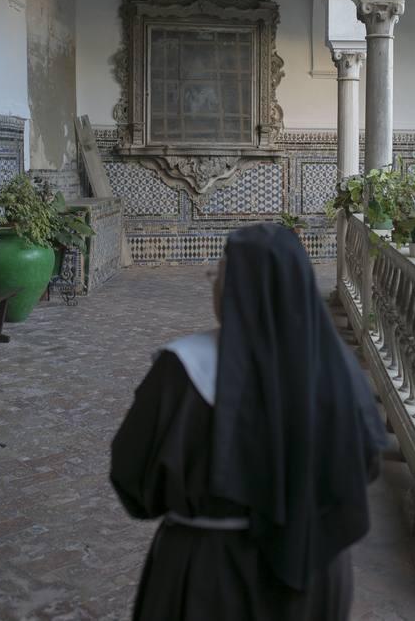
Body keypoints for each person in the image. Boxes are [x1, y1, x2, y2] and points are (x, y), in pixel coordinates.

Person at [110, 223, 387, 621]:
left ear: (239, 288)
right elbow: (366, 463)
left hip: (209, 574)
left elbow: (134, 479)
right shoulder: (341, 372)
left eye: (218, 273)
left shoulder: (183, 372)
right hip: (314, 570)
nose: (214, 283)